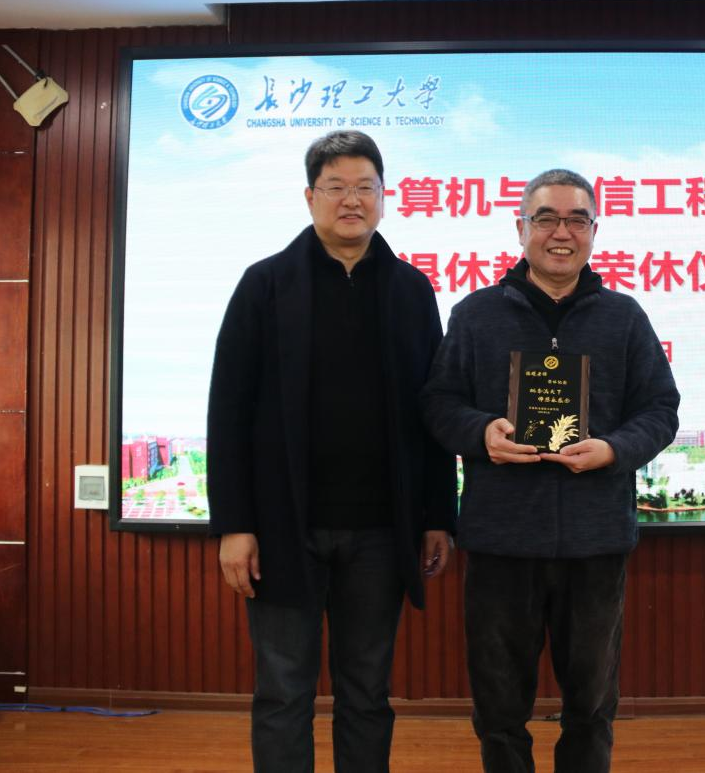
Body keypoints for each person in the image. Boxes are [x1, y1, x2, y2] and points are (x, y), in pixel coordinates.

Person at [207, 130, 456, 773]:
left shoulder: (411, 290)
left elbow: (433, 411)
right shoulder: (265, 285)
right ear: (309, 196)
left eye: (365, 187)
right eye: (336, 187)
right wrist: (234, 524)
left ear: (384, 196)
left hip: (380, 531)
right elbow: (227, 412)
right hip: (283, 526)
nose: (352, 200)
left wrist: (437, 515)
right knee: (282, 691)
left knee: (367, 692)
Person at [421, 169, 680, 773]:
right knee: (498, 707)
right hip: (501, 542)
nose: (562, 233)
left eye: (576, 220)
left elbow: (660, 409)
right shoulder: (476, 315)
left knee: (591, 707)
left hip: (595, 543)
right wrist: (481, 433)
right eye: (546, 219)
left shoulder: (624, 317)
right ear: (521, 229)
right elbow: (438, 403)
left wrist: (613, 448)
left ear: (594, 231)